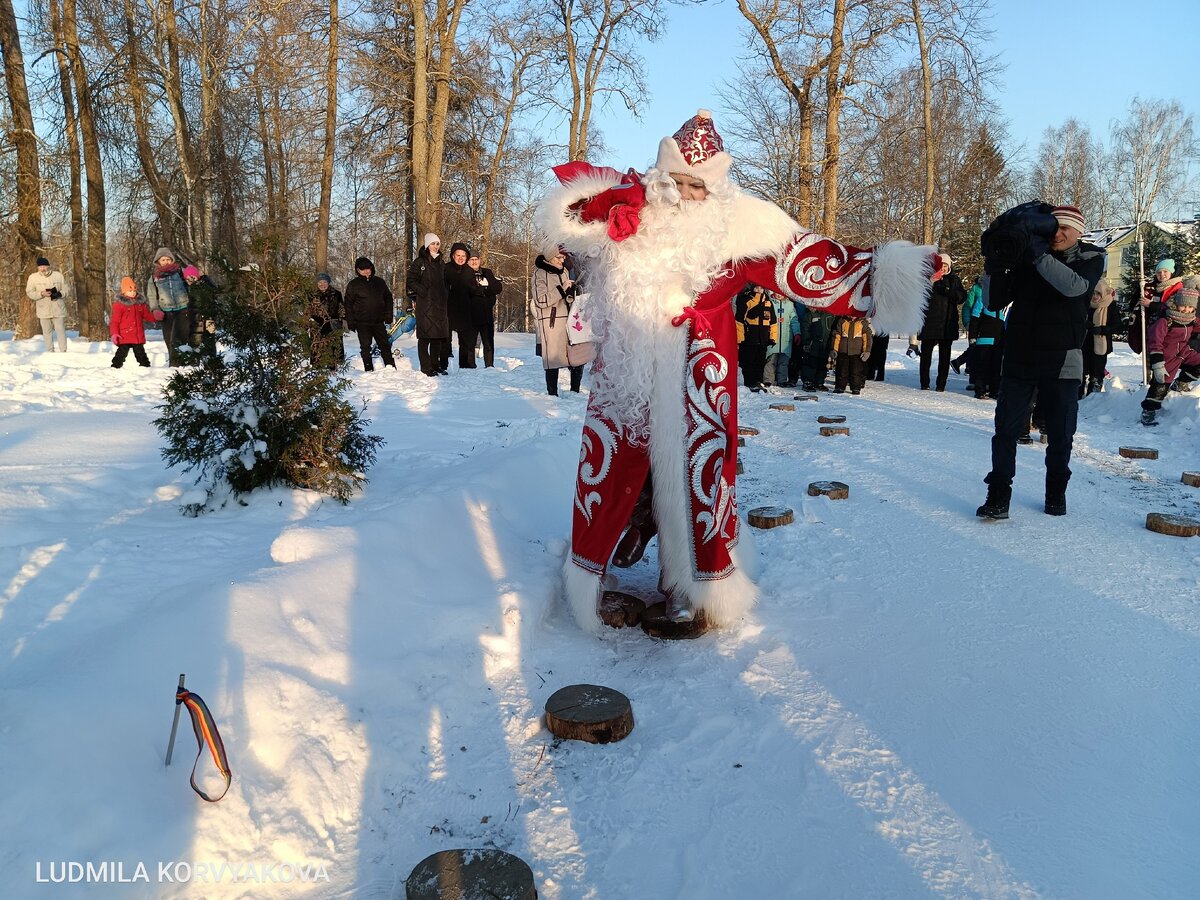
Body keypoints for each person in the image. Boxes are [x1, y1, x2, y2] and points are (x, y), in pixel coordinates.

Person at [538, 108, 933, 631]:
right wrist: (602, 204)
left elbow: (809, 265)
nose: (684, 195)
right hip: (627, 372)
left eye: (697, 187)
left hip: (698, 371)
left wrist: (888, 272)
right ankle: (598, 569)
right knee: (613, 468)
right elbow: (570, 223)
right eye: (676, 183)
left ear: (717, 192)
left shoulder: (739, 232)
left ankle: (686, 582)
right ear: (659, 178)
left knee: (694, 472)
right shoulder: (632, 214)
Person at [976, 204, 1105, 519]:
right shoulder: (1028, 256)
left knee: (1060, 435)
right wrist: (994, 264)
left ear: (1079, 232)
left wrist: (1036, 255)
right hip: (1020, 357)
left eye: (1065, 230)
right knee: (1005, 430)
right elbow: (994, 301)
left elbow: (1073, 288)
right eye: (1053, 228)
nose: (1057, 235)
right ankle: (998, 496)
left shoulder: (1091, 258)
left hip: (1063, 361)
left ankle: (1055, 493)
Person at [532, 246, 593, 394]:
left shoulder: (565, 271)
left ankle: (575, 391)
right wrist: (562, 288)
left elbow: (566, 294)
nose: (562, 260)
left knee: (577, 354)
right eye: (559, 257)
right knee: (553, 359)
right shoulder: (539, 274)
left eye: (563, 258)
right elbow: (540, 300)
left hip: (571, 320)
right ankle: (552, 393)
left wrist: (572, 291)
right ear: (549, 257)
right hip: (552, 322)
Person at [1139, 278, 1199, 426]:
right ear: (1177, 303)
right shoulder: (1166, 320)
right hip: (1166, 357)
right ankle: (1148, 411)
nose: (1185, 309)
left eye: (1189, 307)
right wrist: (1158, 363)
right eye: (1183, 306)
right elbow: (1155, 342)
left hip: (1183, 352)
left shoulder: (1191, 319)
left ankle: (1181, 382)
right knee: (1160, 385)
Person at [917, 253, 965, 391]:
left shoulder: (954, 280)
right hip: (930, 323)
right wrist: (931, 283)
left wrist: (949, 291)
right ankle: (924, 383)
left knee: (945, 356)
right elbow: (920, 297)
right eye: (941, 265)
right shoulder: (928, 279)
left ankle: (941, 384)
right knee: (926, 355)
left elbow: (961, 297)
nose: (943, 268)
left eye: (945, 266)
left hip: (946, 324)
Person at [407, 234, 451, 376]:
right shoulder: (419, 262)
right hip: (425, 305)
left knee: (437, 338)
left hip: (440, 306)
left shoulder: (442, 263)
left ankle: (435, 365)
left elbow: (446, 282)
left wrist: (446, 294)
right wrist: (422, 290)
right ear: (427, 245)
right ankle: (426, 368)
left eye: (438, 243)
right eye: (433, 243)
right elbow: (411, 280)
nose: (436, 246)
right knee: (425, 338)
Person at [343, 256, 396, 371]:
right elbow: (348, 304)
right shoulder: (353, 285)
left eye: (368, 268)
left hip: (378, 321)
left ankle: (390, 367)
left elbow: (388, 298)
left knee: (385, 345)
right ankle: (369, 369)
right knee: (365, 347)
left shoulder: (379, 282)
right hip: (362, 322)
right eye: (363, 269)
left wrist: (388, 315)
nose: (366, 271)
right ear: (358, 270)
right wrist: (350, 321)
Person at [145, 248, 192, 366]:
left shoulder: (180, 272)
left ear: (172, 260)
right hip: (165, 312)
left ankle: (184, 363)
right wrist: (155, 309)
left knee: (182, 337)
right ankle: (174, 364)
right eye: (163, 259)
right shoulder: (154, 277)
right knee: (170, 339)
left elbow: (191, 286)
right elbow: (151, 295)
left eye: (168, 259)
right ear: (158, 261)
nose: (166, 262)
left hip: (182, 309)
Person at [109, 276, 162, 368]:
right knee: (121, 353)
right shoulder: (119, 305)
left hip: (137, 335)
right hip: (124, 335)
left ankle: (145, 366)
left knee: (140, 353)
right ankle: (115, 367)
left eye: (134, 290)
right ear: (124, 292)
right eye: (130, 291)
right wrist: (114, 333)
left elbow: (147, 315)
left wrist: (156, 318)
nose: (133, 293)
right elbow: (115, 321)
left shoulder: (140, 304)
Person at [966, 276, 1004, 400]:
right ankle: (980, 390)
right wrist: (972, 337)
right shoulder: (982, 300)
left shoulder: (1002, 303)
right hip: (984, 340)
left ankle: (994, 390)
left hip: (998, 341)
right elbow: (975, 319)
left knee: (996, 367)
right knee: (983, 366)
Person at [734, 284, 778, 392]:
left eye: (761, 288)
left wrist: (773, 337)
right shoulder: (747, 300)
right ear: (752, 288)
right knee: (749, 361)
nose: (759, 290)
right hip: (749, 337)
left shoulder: (768, 302)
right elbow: (739, 321)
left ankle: (758, 381)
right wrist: (740, 338)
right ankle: (749, 382)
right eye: (757, 288)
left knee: (760, 361)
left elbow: (773, 322)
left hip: (763, 337)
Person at [25, 256, 69, 352]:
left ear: (48, 266)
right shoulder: (33, 277)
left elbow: (66, 289)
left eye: (44, 266)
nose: (43, 268)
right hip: (43, 309)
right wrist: (41, 293)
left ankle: (63, 351)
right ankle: (50, 351)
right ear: (38, 267)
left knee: (60, 331)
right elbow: (29, 292)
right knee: (46, 332)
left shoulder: (58, 275)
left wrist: (59, 293)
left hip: (58, 308)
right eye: (40, 267)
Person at [467, 250, 502, 367]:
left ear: (479, 260)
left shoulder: (487, 272)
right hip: (470, 315)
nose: (474, 261)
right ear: (467, 261)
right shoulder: (464, 274)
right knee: (470, 344)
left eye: (476, 259)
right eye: (471, 259)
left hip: (486, 314)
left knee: (488, 343)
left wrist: (486, 288)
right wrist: (481, 290)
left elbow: (497, 287)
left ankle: (489, 366)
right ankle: (470, 366)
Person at [445, 242, 477, 368]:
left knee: (465, 340)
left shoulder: (469, 271)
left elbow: (473, 290)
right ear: (453, 256)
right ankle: (443, 364)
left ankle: (466, 364)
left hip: (465, 310)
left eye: (463, 256)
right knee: (445, 339)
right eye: (458, 255)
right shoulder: (446, 269)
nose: (460, 258)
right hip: (448, 309)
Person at [1082, 277, 1114, 397]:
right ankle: (1077, 395)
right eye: (1093, 293)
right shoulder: (1086, 305)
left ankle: (1093, 398)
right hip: (1084, 343)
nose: (1095, 296)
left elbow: (1117, 325)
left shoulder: (1110, 305)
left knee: (1097, 373)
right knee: (1081, 371)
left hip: (1101, 345)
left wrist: (1103, 329)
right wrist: (1085, 324)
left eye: (1098, 294)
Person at [307, 273, 346, 369]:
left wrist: (341, 319)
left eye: (324, 282)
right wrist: (308, 321)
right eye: (320, 282)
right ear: (317, 283)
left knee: (333, 345)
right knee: (317, 345)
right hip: (317, 324)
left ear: (328, 283)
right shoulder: (312, 295)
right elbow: (307, 309)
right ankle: (317, 366)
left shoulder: (336, 293)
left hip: (333, 323)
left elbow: (341, 307)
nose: (322, 284)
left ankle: (333, 366)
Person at [763, 291, 799, 388]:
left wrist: (797, 333)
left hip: (785, 338)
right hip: (772, 337)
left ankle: (782, 380)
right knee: (771, 360)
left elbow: (794, 320)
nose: (778, 295)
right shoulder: (770, 303)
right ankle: (768, 380)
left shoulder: (790, 305)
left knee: (784, 362)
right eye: (776, 292)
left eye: (780, 293)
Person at [183, 264, 220, 361]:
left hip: (206, 318)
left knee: (208, 339)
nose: (190, 281)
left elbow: (206, 302)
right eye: (187, 279)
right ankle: (199, 359)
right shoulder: (192, 289)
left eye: (192, 277)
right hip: (197, 318)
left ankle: (210, 359)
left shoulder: (203, 286)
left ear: (197, 277)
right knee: (198, 338)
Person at [829, 315, 873, 394]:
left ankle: (856, 388)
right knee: (841, 370)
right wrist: (834, 349)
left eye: (854, 314)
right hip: (843, 351)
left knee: (856, 371)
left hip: (857, 352)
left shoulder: (863, 322)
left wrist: (866, 351)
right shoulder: (842, 321)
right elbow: (836, 335)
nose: (852, 316)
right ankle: (840, 387)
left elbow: (867, 338)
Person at [951, 274, 982, 382]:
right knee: (975, 347)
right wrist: (967, 322)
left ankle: (961, 363)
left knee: (977, 348)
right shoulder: (977, 288)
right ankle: (968, 369)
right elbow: (968, 306)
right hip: (975, 322)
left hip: (989, 324)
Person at [799, 308, 837, 391]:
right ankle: (808, 382)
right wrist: (806, 342)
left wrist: (832, 345)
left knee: (822, 364)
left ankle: (819, 382)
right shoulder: (810, 314)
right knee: (810, 363)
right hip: (812, 344)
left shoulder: (830, 315)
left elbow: (833, 330)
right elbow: (805, 328)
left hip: (825, 344)